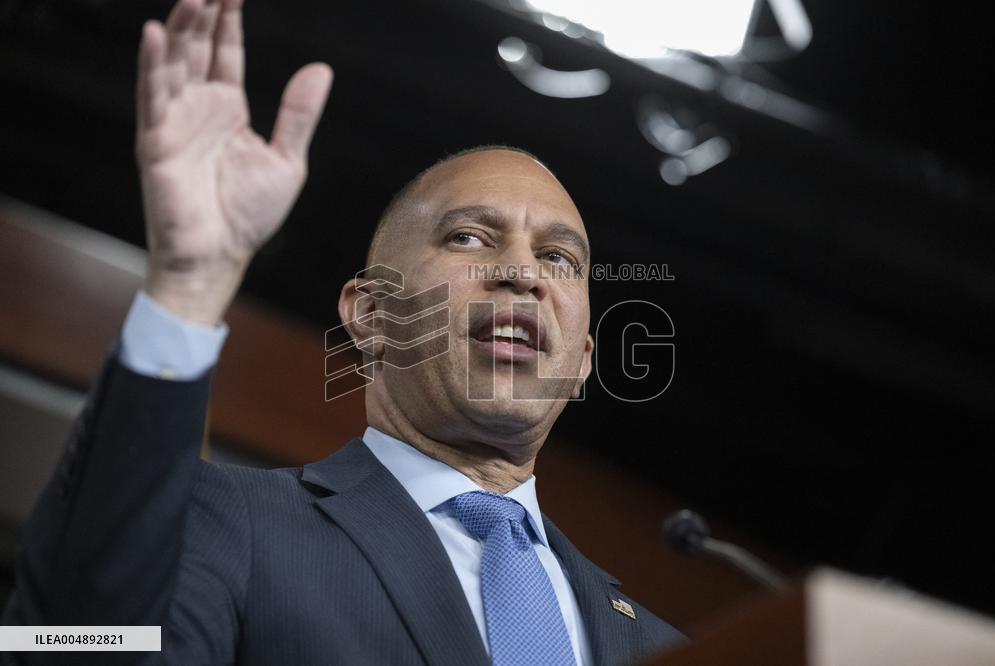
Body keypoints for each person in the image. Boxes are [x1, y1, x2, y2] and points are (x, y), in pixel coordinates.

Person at [2, 0, 685, 663]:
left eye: (558, 259)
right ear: (371, 313)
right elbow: (70, 644)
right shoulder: (227, 523)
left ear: (583, 359)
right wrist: (188, 285)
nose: (522, 274)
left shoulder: (666, 648)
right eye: (470, 236)